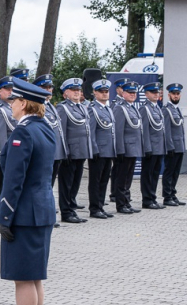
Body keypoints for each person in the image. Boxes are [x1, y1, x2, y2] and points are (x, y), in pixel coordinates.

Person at [0, 78, 56, 305]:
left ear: (22, 103)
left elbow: (14, 179)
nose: (11, 106)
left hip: (24, 213)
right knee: (34, 277)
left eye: (13, 102)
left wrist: (4, 214)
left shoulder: (24, 133)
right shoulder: (46, 129)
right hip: (42, 208)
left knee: (23, 277)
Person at [56, 78, 92, 224]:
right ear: (66, 93)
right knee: (67, 183)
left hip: (81, 150)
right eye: (74, 90)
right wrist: (65, 151)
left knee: (76, 182)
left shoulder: (82, 107)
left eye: (79, 90)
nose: (77, 93)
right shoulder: (62, 108)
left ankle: (72, 208)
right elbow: (61, 132)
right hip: (70, 151)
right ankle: (66, 211)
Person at [87, 79, 116, 219]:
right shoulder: (92, 109)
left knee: (104, 180)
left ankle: (100, 205)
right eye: (101, 92)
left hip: (109, 150)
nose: (105, 94)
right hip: (99, 151)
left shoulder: (108, 109)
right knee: (95, 180)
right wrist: (94, 149)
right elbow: (91, 131)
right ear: (95, 93)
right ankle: (94, 208)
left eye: (106, 92)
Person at [112, 81, 142, 215]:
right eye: (129, 93)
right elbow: (118, 131)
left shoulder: (132, 107)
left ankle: (126, 201)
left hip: (133, 148)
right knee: (122, 177)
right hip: (125, 149)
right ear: (123, 93)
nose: (132, 95)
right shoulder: (120, 108)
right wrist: (120, 149)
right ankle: (121, 204)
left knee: (128, 178)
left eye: (134, 93)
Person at [34, 74, 67, 189]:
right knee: (42, 183)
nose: (48, 90)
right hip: (44, 152)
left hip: (55, 151)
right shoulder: (36, 107)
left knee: (50, 184)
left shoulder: (51, 106)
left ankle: (47, 205)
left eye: (50, 87)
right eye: (45, 87)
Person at [139, 82, 167, 210]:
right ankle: (147, 199)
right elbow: (144, 130)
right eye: (153, 93)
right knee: (148, 175)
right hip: (151, 148)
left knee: (155, 174)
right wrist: (147, 148)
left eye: (157, 92)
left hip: (159, 147)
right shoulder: (145, 109)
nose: (156, 95)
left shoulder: (157, 108)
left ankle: (152, 197)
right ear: (146, 94)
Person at [0, 76, 16, 201]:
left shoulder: (17, 108)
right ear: (0, 91)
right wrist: (4, 157)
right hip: (8, 155)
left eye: (12, 89)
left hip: (18, 154)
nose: (10, 91)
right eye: (7, 89)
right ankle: (2, 214)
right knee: (6, 187)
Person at [162, 83, 187, 205]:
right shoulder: (166, 110)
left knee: (176, 172)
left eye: (178, 94)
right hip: (172, 147)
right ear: (169, 95)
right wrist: (169, 146)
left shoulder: (176, 109)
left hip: (179, 147)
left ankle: (172, 194)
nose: (176, 96)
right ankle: (167, 197)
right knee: (169, 172)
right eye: (174, 94)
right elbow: (166, 130)